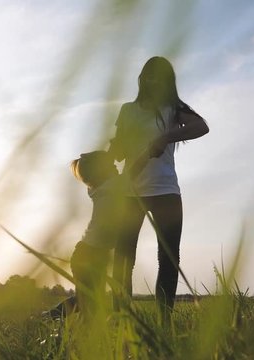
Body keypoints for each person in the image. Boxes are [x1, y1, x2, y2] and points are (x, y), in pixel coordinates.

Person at [108, 56, 209, 324]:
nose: (152, 80)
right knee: (123, 258)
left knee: (168, 259)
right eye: (148, 75)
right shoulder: (128, 110)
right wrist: (111, 153)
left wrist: (165, 137)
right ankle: (121, 319)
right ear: (142, 78)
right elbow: (118, 149)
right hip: (130, 192)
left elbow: (202, 127)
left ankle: (165, 322)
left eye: (159, 76)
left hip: (166, 191)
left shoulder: (174, 109)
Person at [44, 149, 152, 320]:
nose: (116, 166)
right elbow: (135, 168)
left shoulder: (99, 188)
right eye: (110, 165)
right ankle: (50, 318)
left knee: (88, 300)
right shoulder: (111, 186)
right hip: (88, 255)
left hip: (91, 254)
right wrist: (150, 149)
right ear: (100, 172)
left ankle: (52, 318)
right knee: (88, 301)